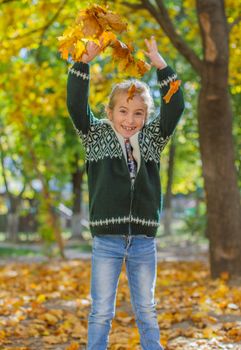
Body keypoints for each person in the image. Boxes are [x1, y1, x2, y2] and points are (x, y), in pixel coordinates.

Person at [67, 36, 184, 350]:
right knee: (101, 309)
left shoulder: (152, 139)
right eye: (123, 111)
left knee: (146, 307)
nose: (129, 120)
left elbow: (175, 107)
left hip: (143, 241)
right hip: (107, 240)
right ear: (110, 111)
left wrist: (160, 65)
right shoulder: (95, 135)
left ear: (146, 116)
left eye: (138, 114)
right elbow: (76, 107)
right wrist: (83, 63)